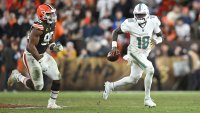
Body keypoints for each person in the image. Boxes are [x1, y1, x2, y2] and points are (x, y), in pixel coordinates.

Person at [103, 3, 163, 107]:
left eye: (141, 14)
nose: (139, 17)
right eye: (137, 15)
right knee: (150, 69)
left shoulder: (153, 21)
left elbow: (161, 36)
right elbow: (115, 32)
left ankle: (110, 86)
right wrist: (114, 47)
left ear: (147, 14)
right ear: (134, 14)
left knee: (134, 79)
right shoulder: (129, 23)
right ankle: (147, 99)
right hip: (134, 52)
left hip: (144, 53)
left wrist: (156, 41)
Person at [7, 4, 63, 109]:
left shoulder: (52, 24)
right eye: (49, 14)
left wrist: (54, 47)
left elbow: (50, 41)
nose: (53, 16)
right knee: (38, 86)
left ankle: (51, 103)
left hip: (42, 54)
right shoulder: (38, 27)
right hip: (31, 56)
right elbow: (31, 46)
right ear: (42, 15)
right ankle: (17, 76)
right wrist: (41, 61)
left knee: (57, 77)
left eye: (52, 13)